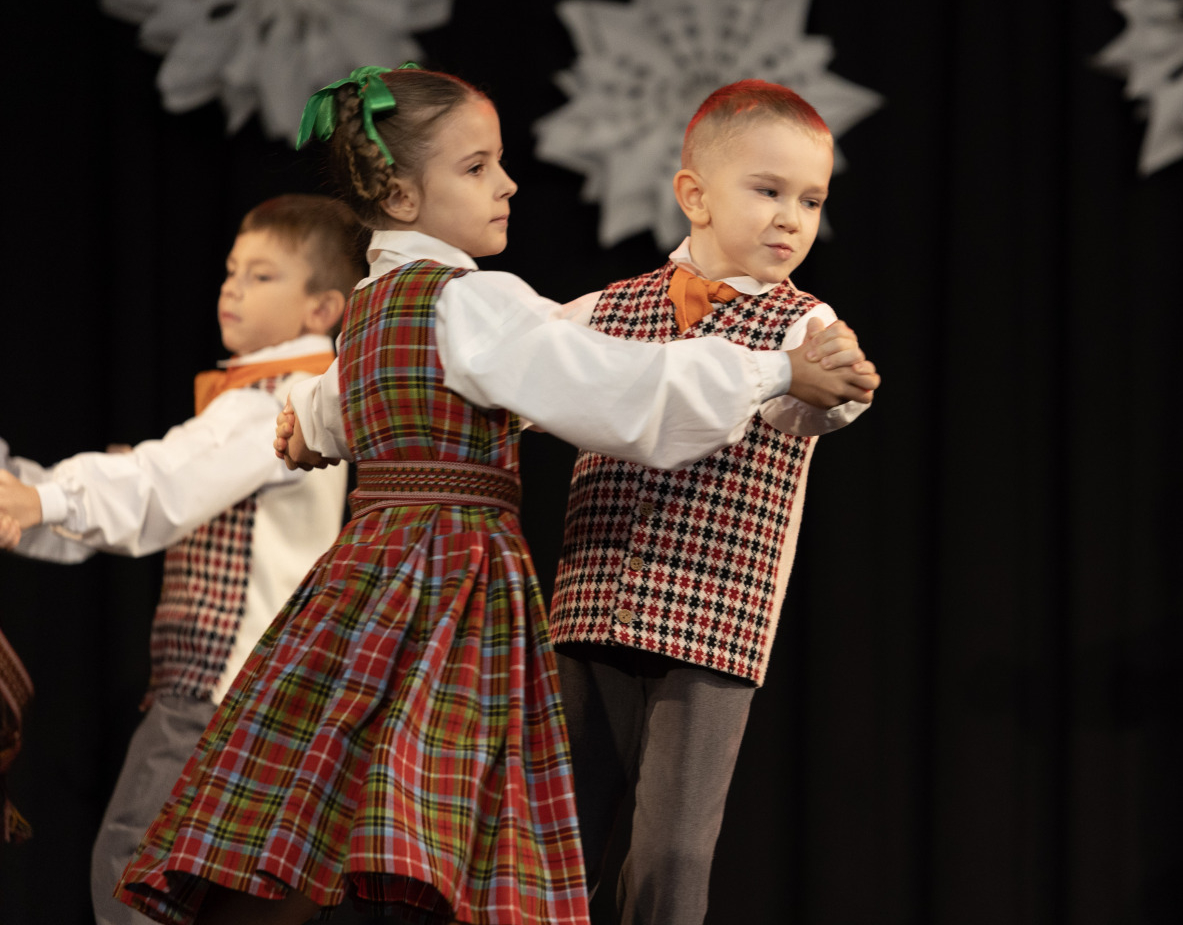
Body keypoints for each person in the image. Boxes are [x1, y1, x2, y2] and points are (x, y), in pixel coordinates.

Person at [117, 64, 879, 925]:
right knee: (460, 807)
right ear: (402, 193)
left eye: (809, 200)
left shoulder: (371, 306)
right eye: (477, 167)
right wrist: (777, 368)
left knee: (357, 788)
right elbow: (611, 388)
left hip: (377, 584)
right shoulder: (478, 304)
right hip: (455, 580)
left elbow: (345, 395)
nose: (507, 182)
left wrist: (307, 425)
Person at [546, 79, 869, 924]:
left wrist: (838, 386)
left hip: (712, 620)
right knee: (559, 839)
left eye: (810, 199)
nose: (790, 218)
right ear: (695, 194)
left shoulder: (806, 324)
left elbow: (814, 404)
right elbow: (521, 370)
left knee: (672, 854)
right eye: (768, 191)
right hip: (593, 606)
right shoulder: (608, 309)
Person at [0, 194, 364, 925]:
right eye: (232, 269)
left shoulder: (277, 401)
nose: (232, 286)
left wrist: (44, 500)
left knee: (136, 869)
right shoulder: (261, 399)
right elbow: (140, 486)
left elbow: (159, 484)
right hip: (260, 695)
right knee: (230, 896)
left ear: (323, 308)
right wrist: (28, 495)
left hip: (218, 692)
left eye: (263, 275)